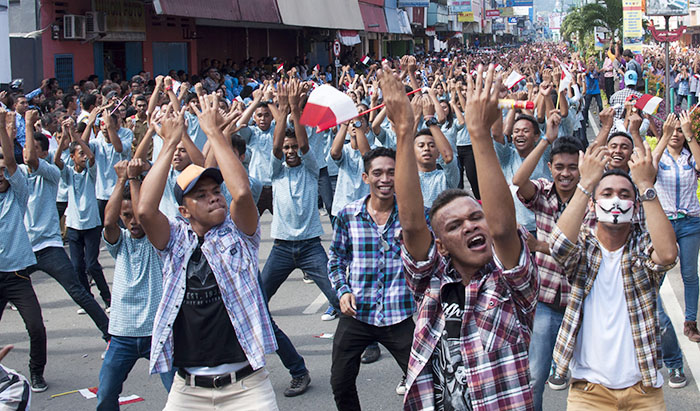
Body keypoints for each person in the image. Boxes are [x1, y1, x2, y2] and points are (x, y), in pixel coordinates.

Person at [395, 64, 538, 409]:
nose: (472, 226)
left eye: (477, 217)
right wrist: (403, 131)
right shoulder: (430, 283)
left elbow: (503, 228)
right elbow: (414, 226)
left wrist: (479, 133)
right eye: (455, 225)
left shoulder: (510, 285)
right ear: (440, 245)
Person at [137, 98, 278, 409]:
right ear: (184, 211)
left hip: (247, 387)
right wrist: (169, 142)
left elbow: (240, 192)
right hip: (188, 390)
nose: (214, 198)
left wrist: (214, 133)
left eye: (215, 191)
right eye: (201, 196)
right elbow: (146, 211)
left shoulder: (239, 234)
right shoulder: (174, 238)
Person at [550, 140, 678, 410]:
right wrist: (585, 185)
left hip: (644, 391)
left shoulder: (641, 247)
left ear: (635, 205)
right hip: (588, 391)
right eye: (607, 194)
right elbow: (559, 245)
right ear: (594, 206)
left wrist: (645, 186)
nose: (616, 200)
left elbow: (667, 255)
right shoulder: (583, 249)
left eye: (624, 194)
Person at [328, 147, 416, 409]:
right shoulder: (348, 215)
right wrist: (343, 291)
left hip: (399, 316)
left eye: (391, 173)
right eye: (377, 173)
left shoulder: (412, 216)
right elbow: (335, 260)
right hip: (358, 316)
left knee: (427, 381)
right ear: (366, 178)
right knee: (340, 382)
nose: (385, 179)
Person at [19, 109, 110, 343]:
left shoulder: (50, 173)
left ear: (42, 153)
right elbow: (17, 159)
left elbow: (52, 160)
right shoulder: (17, 175)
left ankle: (110, 333)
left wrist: (31, 126)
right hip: (26, 248)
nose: (27, 152)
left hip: (51, 245)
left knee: (83, 278)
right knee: (80, 267)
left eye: (32, 148)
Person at [512, 111, 581, 409]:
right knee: (534, 377)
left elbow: (584, 250)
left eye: (573, 168)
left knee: (588, 380)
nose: (566, 174)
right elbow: (519, 180)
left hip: (583, 303)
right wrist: (546, 140)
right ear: (551, 168)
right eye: (560, 167)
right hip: (547, 303)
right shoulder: (542, 192)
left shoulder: (590, 199)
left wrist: (540, 246)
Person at [259, 78, 340, 328]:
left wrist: (294, 110)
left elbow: (306, 145)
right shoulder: (277, 171)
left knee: (338, 297)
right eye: (287, 147)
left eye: (293, 147)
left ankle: (366, 342)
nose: (291, 151)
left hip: (310, 247)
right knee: (259, 299)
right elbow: (274, 147)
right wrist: (282, 112)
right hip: (281, 248)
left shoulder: (311, 169)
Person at [97, 159, 174, 411]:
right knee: (106, 395)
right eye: (127, 216)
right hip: (122, 334)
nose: (134, 222)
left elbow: (147, 214)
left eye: (136, 215)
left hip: (158, 333)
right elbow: (108, 223)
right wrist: (121, 180)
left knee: (179, 395)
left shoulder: (159, 240)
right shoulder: (120, 242)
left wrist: (133, 179)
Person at [0, 108, 48, 393]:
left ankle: (36, 372)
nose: (1, 176)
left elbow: (11, 160)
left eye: (3, 171)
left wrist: (3, 130)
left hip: (16, 275)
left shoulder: (17, 194)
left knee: (36, 328)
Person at [54, 112, 112, 311]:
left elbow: (92, 156)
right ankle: (88, 300)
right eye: (79, 154)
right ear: (72, 157)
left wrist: (76, 137)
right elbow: (56, 161)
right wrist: (64, 134)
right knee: (77, 266)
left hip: (91, 224)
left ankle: (107, 298)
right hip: (74, 225)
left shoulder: (90, 172)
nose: (83, 157)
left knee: (92, 264)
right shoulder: (68, 173)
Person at [652, 112, 700, 343]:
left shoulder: (689, 158)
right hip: (665, 224)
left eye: (680, 131)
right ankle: (651, 317)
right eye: (673, 130)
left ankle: (691, 322)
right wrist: (664, 136)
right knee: (657, 273)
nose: (676, 135)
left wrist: (691, 135)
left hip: (691, 223)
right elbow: (648, 172)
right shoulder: (660, 158)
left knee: (690, 274)